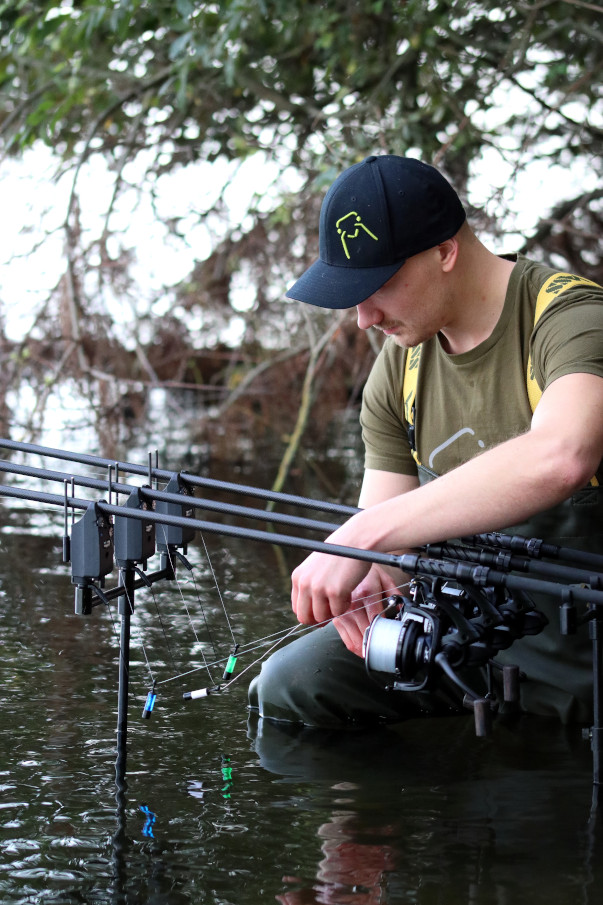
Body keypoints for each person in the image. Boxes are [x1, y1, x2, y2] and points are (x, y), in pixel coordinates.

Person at [248, 154, 603, 728]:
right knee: (291, 690)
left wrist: (361, 535)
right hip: (458, 640)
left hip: (580, 658)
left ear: (444, 251)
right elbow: (386, 549)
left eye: (379, 285)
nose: (363, 317)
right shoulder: (401, 365)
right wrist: (373, 576)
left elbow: (563, 455)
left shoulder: (572, 319)